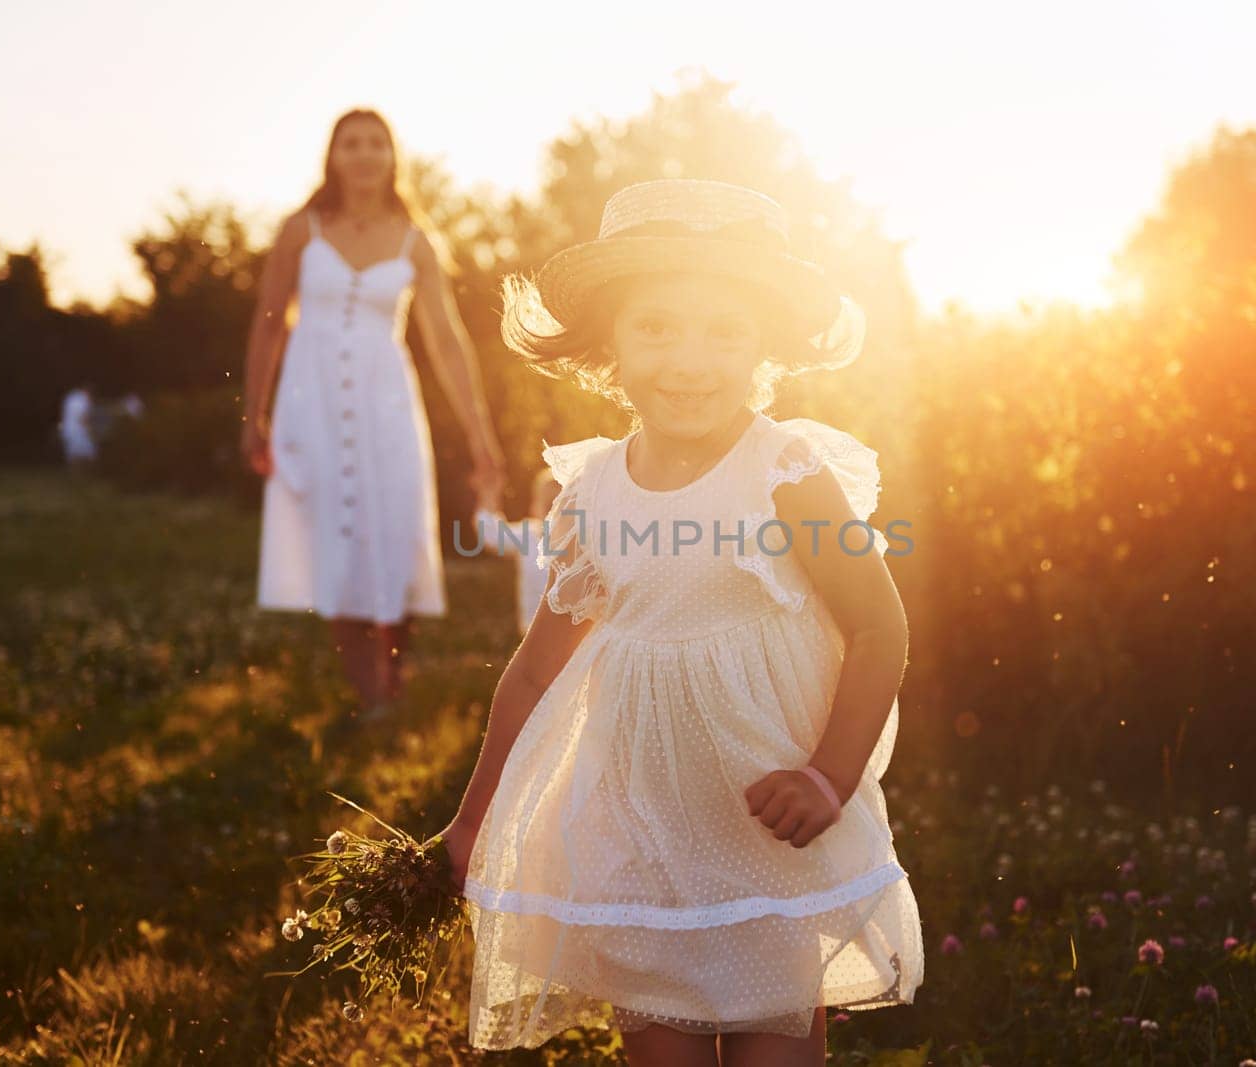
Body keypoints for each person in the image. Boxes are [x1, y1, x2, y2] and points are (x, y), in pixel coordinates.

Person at [438, 179, 923, 1063]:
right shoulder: (595, 495)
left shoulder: (785, 472)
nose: (689, 359)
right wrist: (476, 816)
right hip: (641, 831)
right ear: (610, 347)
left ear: (763, 346)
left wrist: (828, 775)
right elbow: (537, 673)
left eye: (723, 331)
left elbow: (879, 628)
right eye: (656, 328)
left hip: (765, 831)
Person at [241, 108, 505, 721]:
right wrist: (253, 413)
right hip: (313, 404)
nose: (364, 155)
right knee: (337, 534)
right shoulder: (300, 230)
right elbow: (268, 322)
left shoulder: (417, 240)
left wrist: (480, 435)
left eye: (376, 144)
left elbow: (446, 339)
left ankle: (394, 671)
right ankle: (370, 693)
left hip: (387, 402)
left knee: (398, 527)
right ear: (332, 156)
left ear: (393, 157)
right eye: (351, 144)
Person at [470, 468, 560, 639]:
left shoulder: (584, 541)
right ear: (535, 507)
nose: (554, 511)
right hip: (532, 631)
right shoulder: (528, 535)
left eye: (561, 503)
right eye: (549, 505)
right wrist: (489, 494)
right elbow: (492, 534)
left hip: (572, 635)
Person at [58, 383, 97, 470]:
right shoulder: (84, 400)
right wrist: (91, 432)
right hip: (78, 432)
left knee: (73, 455)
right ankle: (85, 477)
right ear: (87, 391)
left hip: (67, 430)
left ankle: (74, 478)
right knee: (90, 453)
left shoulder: (70, 396)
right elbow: (83, 418)